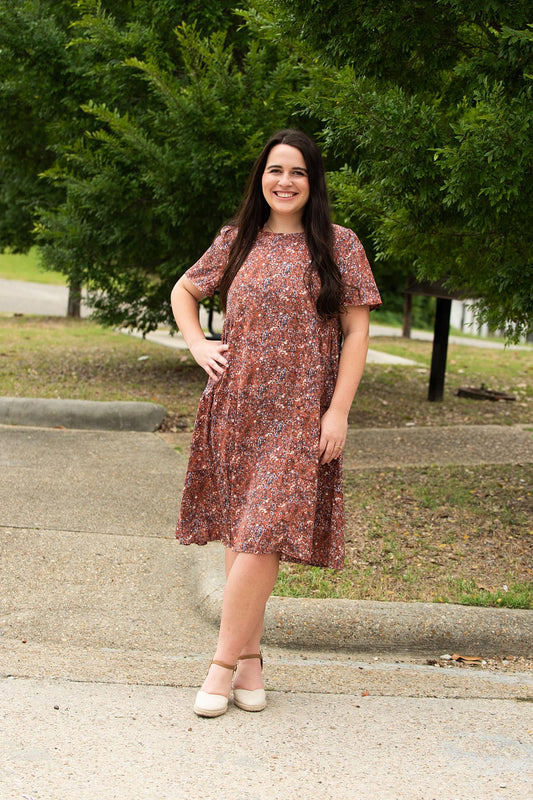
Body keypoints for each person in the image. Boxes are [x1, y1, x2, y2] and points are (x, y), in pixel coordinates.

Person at [170, 129, 381, 718]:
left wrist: (337, 411)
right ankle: (252, 659)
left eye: (297, 172)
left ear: (313, 182)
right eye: (274, 170)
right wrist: (197, 343)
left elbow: (357, 332)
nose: (284, 181)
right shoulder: (235, 241)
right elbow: (184, 290)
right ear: (260, 178)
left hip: (300, 414)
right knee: (243, 536)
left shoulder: (339, 245)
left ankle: (218, 665)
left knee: (262, 535)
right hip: (235, 407)